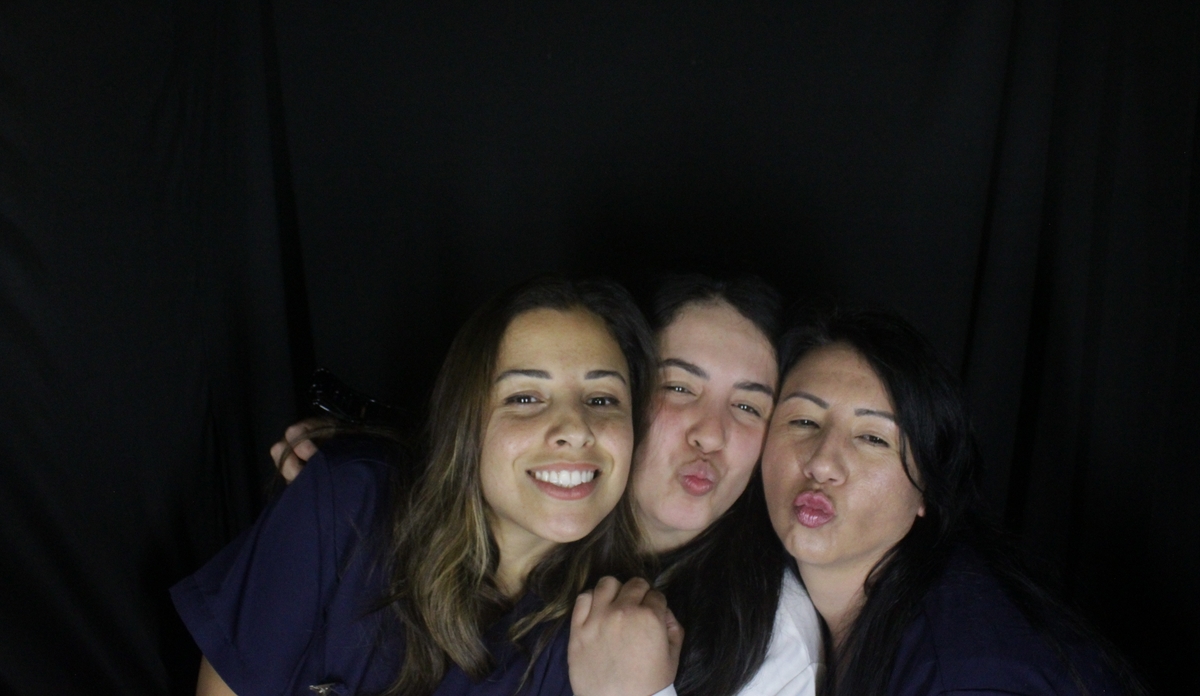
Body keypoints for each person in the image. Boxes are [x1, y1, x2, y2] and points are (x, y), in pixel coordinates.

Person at [276, 274, 824, 696]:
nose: (711, 434)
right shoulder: (522, 544)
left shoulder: (776, 640)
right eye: (678, 387)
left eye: (749, 406)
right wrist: (364, 464)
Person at [172, 276, 668, 696]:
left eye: (602, 400)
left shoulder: (612, 642)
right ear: (464, 422)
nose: (576, 429)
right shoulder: (348, 503)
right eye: (524, 398)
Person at [760, 308, 1143, 695]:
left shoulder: (969, 675)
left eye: (873, 439)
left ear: (927, 488)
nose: (822, 464)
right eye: (803, 421)